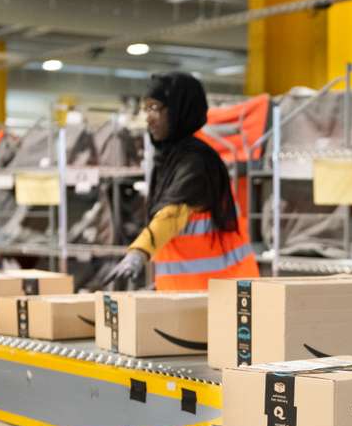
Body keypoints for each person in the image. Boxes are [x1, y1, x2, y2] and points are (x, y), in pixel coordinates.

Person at [105, 72, 259, 289]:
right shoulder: (171, 157)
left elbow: (173, 213)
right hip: (192, 290)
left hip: (222, 289)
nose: (148, 118)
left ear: (179, 109)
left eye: (155, 108)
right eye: (146, 109)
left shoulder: (197, 161)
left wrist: (139, 252)